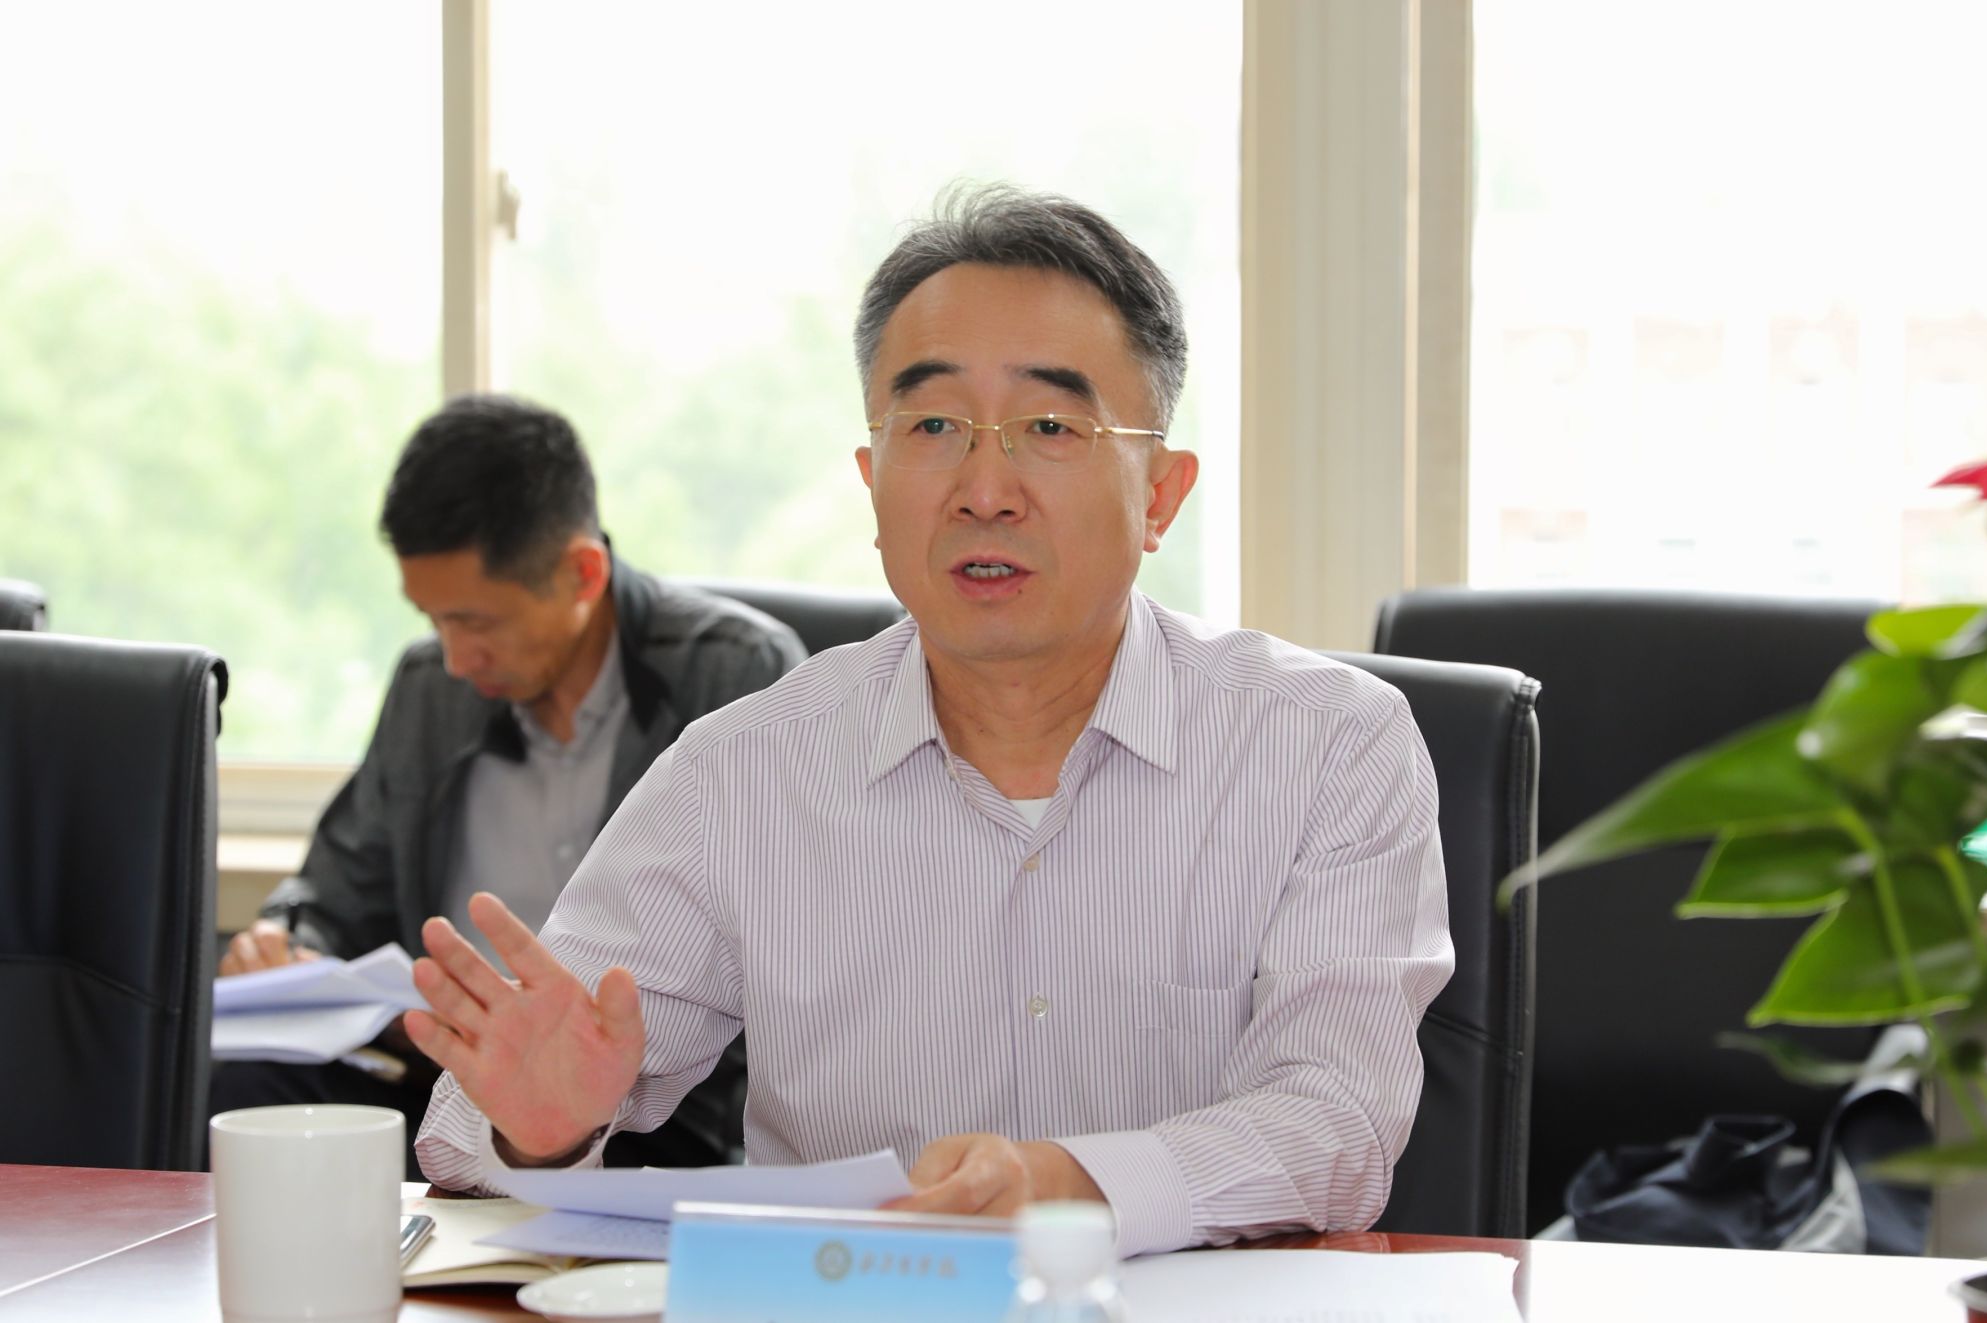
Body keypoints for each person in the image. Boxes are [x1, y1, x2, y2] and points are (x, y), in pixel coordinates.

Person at [408, 187, 1453, 1254]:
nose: (983, 489)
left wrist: (1067, 1185)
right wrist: (539, 1131)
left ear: (1159, 495)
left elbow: (1337, 1119)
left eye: (1050, 427)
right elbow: (472, 1128)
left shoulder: (1327, 747)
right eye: (934, 426)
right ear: (873, 483)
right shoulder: (742, 774)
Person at [212, 394, 806, 1173]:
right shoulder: (429, 688)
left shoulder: (735, 674)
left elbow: (786, 953)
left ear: (582, 573)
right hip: (445, 1088)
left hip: (640, 1112)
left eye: (477, 622)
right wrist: (288, 944)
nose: (455, 658)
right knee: (242, 1087)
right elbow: (337, 895)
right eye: (434, 619)